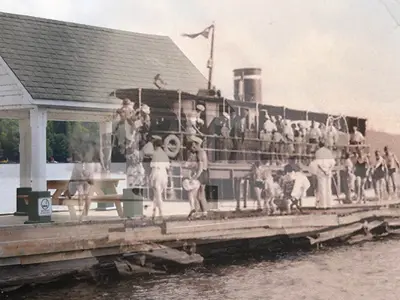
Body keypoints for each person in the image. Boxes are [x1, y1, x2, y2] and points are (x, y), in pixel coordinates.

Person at [186, 136, 209, 219]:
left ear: (194, 145)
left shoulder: (199, 154)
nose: (192, 150)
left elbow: (200, 169)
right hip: (205, 173)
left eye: (192, 147)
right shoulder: (202, 152)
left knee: (199, 195)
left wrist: (193, 178)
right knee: (200, 195)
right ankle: (203, 212)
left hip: (202, 174)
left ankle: (201, 212)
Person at [149, 136, 170, 221]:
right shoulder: (165, 154)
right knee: (157, 195)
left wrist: (151, 177)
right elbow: (168, 167)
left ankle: (161, 213)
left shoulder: (155, 154)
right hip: (164, 174)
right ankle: (154, 212)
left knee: (157, 195)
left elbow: (153, 166)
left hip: (156, 173)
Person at [313, 141, 335, 209]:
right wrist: (328, 170)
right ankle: (329, 204)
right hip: (328, 171)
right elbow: (333, 163)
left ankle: (323, 204)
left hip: (321, 172)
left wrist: (324, 171)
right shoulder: (328, 151)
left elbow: (318, 164)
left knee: (322, 188)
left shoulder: (318, 152)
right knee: (328, 188)